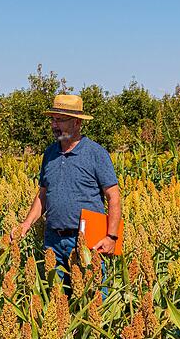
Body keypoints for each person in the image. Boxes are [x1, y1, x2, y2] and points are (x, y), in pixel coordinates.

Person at [15, 94, 121, 292]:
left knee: (94, 300)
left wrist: (111, 237)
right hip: (53, 241)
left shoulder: (95, 153)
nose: (55, 125)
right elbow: (43, 194)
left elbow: (113, 196)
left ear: (77, 122)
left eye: (61, 120)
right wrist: (26, 224)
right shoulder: (50, 153)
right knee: (57, 303)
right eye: (53, 119)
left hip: (87, 240)